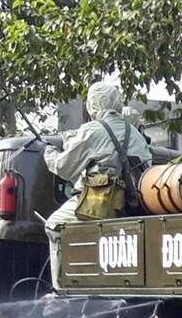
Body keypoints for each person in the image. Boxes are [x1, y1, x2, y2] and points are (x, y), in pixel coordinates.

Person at [43, 82, 152, 289]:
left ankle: (60, 289)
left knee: (54, 224)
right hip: (132, 204)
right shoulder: (135, 132)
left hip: (101, 203)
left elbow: (64, 168)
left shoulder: (93, 130)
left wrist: (47, 151)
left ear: (92, 106)